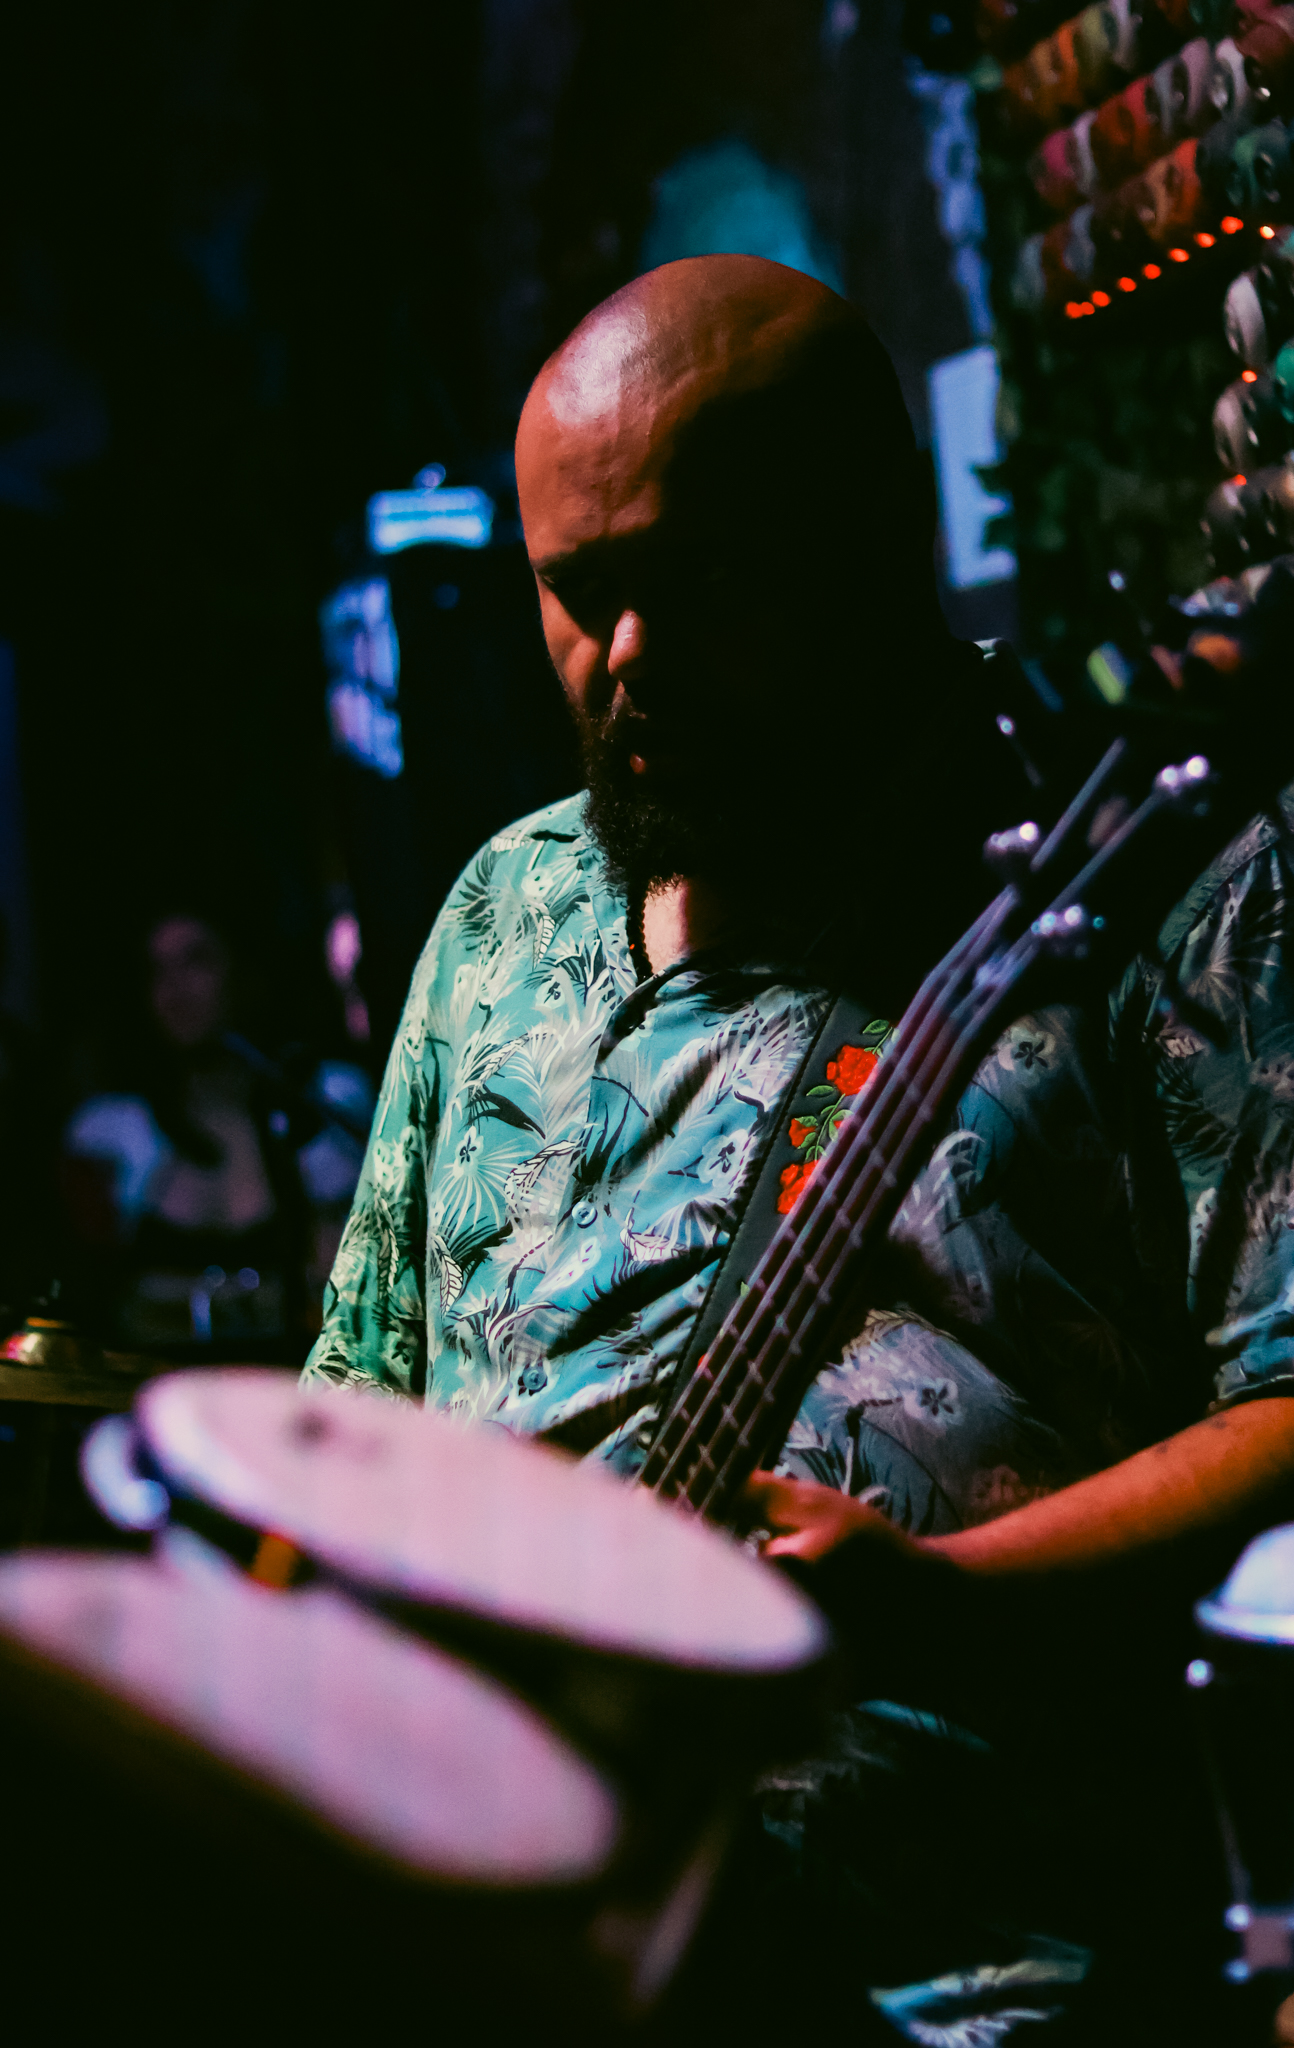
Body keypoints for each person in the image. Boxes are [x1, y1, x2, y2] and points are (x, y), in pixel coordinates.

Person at [304, 257, 1294, 2041]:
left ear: (874, 535)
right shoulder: (501, 908)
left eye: (695, 579)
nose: (625, 657)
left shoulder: (1141, 852)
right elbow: (364, 1389)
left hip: (968, 1967)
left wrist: (940, 1605)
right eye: (574, 593)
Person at [64, 914, 373, 1356]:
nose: (176, 988)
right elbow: (100, 1300)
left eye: (196, 961)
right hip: (159, 1380)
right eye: (157, 971)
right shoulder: (111, 1128)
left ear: (244, 973)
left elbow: (351, 1281)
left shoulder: (321, 1100)